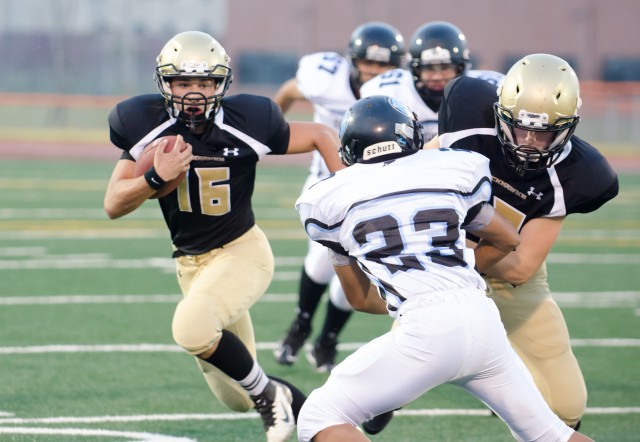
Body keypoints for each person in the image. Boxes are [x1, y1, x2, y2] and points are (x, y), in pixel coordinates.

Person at [294, 95, 594, 442]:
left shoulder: (328, 200)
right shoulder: (450, 170)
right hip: (481, 317)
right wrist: (461, 266)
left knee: (318, 416)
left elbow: (359, 300)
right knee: (549, 434)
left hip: (426, 327)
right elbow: (508, 240)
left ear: (350, 149)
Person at [103, 31, 344, 442]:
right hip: (191, 266)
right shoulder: (143, 123)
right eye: (183, 82)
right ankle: (319, 420)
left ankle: (270, 397)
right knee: (237, 396)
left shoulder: (247, 120)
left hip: (241, 252)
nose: (194, 92)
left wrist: (351, 197)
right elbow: (114, 203)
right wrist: (155, 177)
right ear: (165, 83)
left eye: (205, 82)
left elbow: (321, 135)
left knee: (191, 329)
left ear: (222, 84)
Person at [365, 53, 620, 434]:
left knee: (567, 405)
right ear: (500, 114)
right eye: (521, 129)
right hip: (446, 267)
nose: (531, 143)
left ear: (569, 128)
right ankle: (392, 389)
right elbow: (416, 175)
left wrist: (449, 252)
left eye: (545, 132)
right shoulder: (468, 115)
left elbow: (521, 267)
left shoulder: (582, 174)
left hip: (502, 273)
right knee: (408, 364)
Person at [272, 21, 407, 373]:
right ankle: (299, 327)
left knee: (362, 267)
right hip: (327, 182)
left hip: (377, 191)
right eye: (368, 63)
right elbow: (288, 92)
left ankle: (328, 338)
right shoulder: (325, 78)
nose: (374, 71)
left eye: (383, 65)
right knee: (320, 261)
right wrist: (268, 130)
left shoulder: (404, 94)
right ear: (353, 61)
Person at [360, 20, 503, 141]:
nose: (437, 76)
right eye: (429, 68)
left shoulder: (487, 89)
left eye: (445, 67)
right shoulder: (389, 90)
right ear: (416, 69)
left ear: (460, 67)